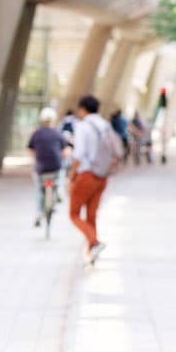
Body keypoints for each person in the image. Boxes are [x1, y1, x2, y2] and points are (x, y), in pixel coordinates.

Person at [68, 94, 114, 264]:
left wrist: (71, 174)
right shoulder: (105, 125)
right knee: (91, 214)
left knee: (73, 213)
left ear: (83, 109)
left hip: (86, 174)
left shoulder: (83, 126)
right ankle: (91, 251)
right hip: (102, 175)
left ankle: (94, 243)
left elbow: (79, 154)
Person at [27, 107, 67, 226]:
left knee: (40, 189)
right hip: (55, 167)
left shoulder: (36, 133)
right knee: (62, 170)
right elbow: (65, 152)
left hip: (41, 168)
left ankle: (38, 213)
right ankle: (59, 189)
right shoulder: (57, 133)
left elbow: (30, 150)